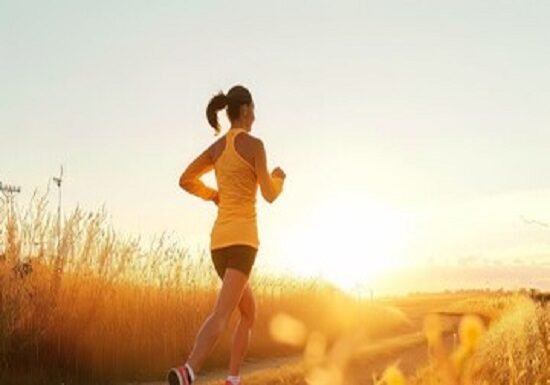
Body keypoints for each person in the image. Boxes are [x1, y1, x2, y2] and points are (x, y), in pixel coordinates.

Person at [167, 85, 286, 385]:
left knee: (248, 312)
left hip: (218, 245)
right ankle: (188, 371)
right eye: (254, 110)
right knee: (222, 313)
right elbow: (270, 195)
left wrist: (214, 196)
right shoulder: (255, 146)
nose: (255, 117)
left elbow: (186, 179)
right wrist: (279, 178)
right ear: (245, 110)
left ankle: (233, 379)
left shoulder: (217, 149)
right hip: (243, 242)